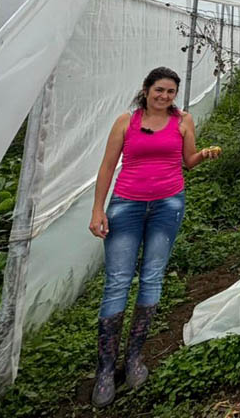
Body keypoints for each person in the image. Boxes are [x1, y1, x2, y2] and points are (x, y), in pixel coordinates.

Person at [87, 66, 221, 407]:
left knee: (151, 278)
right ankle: (105, 369)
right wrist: (98, 209)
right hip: (126, 206)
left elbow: (187, 161)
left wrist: (203, 155)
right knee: (117, 281)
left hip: (167, 205)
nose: (164, 96)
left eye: (170, 92)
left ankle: (133, 357)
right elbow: (107, 166)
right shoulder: (125, 122)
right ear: (146, 89)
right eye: (159, 90)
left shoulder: (183, 121)